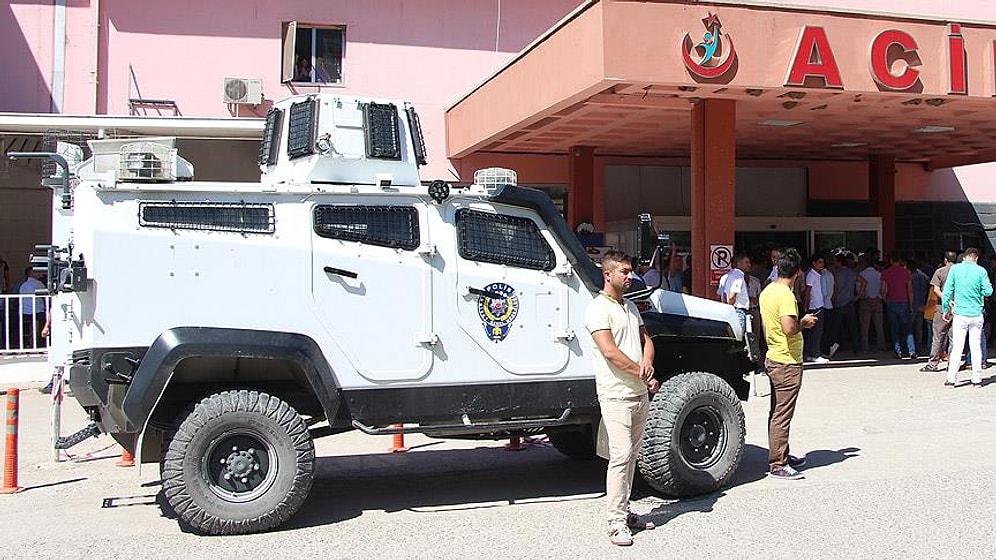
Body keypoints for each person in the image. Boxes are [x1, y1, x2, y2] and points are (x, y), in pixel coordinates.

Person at [584, 251, 658, 546]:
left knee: (632, 456)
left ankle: (625, 511)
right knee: (621, 456)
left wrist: (648, 363)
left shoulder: (630, 307)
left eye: (630, 271)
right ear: (608, 274)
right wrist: (642, 373)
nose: (630, 276)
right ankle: (615, 521)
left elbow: (646, 340)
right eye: (625, 272)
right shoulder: (597, 309)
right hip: (616, 395)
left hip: (638, 394)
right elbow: (610, 352)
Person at [759, 247, 817, 480]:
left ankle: (781, 453)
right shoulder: (786, 296)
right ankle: (778, 463)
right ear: (798, 272)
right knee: (783, 413)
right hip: (787, 360)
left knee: (776, 411)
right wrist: (804, 322)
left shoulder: (768, 291)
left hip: (774, 355)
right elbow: (789, 328)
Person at [942, 247, 993, 387]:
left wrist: (946, 309)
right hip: (976, 314)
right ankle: (976, 379)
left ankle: (951, 378)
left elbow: (947, 292)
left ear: (964, 257)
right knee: (975, 346)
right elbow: (989, 291)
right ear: (976, 258)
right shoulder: (981, 271)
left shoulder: (955, 270)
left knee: (957, 346)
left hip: (960, 313)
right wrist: (979, 291)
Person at [921, 251, 957, 372]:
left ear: (945, 260)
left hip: (942, 307)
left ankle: (933, 364)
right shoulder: (960, 271)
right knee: (954, 337)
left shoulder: (940, 271)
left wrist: (946, 300)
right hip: (958, 307)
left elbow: (936, 290)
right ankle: (952, 364)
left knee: (937, 337)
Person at [880, 252, 915, 359]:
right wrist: (911, 304)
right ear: (900, 261)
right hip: (904, 302)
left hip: (891, 302)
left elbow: (883, 290)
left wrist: (886, 300)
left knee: (894, 328)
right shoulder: (906, 272)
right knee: (907, 328)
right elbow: (910, 290)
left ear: (891, 261)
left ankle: (898, 351)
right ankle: (912, 350)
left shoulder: (885, 273)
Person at [802, 254, 828, 363]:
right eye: (819, 262)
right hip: (814, 306)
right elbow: (808, 291)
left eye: (822, 262)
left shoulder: (819, 274)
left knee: (817, 331)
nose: (822, 264)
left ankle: (812, 352)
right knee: (816, 331)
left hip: (820, 304)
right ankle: (814, 354)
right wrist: (807, 305)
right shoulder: (811, 275)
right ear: (814, 263)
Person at [856, 254, 885, 353]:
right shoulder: (880, 274)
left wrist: (866, 297)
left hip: (865, 302)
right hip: (878, 302)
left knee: (864, 327)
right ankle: (881, 345)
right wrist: (878, 298)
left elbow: (858, 290)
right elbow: (883, 289)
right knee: (879, 326)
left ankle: (865, 347)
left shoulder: (861, 274)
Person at [18, 267, 46, 349]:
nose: (39, 274)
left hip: (25, 312)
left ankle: (26, 342)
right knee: (44, 318)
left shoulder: (23, 285)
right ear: (31, 274)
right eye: (36, 272)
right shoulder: (38, 283)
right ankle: (40, 341)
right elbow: (46, 295)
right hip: (37, 312)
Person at [725, 252, 752, 334]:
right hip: (738, 311)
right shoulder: (738, 276)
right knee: (738, 337)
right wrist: (731, 307)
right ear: (739, 264)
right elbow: (731, 296)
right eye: (746, 262)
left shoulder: (730, 275)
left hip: (735, 310)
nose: (749, 265)